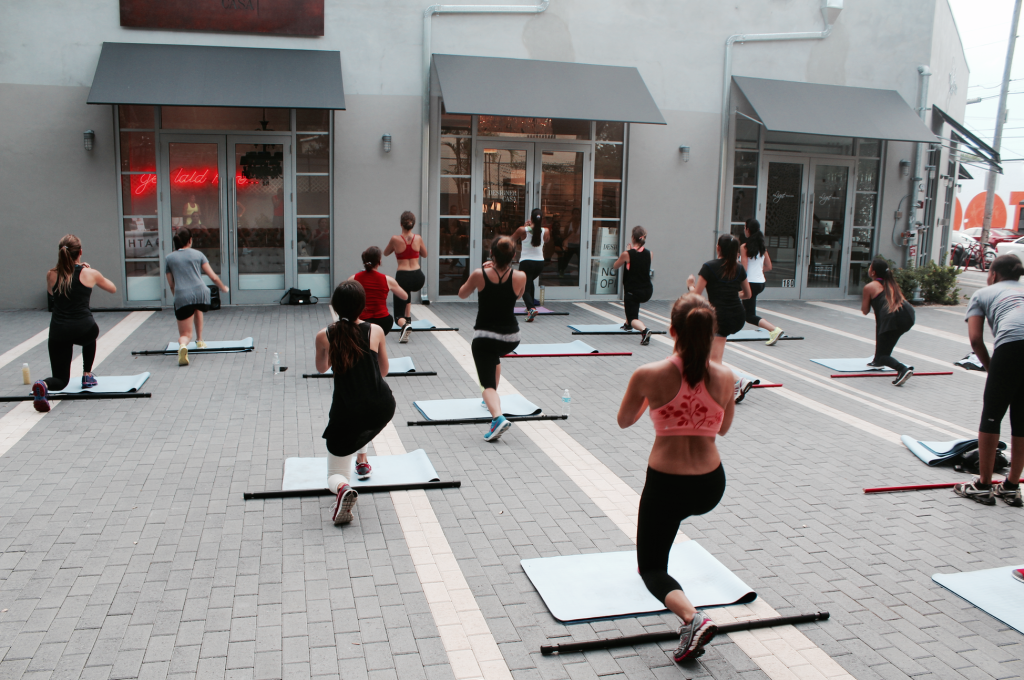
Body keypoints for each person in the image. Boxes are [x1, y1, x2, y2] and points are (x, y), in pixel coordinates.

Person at [616, 293, 734, 662]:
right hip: (711, 485)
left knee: (651, 568)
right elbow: (724, 428)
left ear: (672, 330)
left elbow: (624, 420)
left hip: (668, 485)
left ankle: (692, 618)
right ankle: (691, 619)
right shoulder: (727, 376)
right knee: (667, 531)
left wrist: (655, 404)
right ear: (712, 332)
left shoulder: (649, 375)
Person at [314, 281, 397, 525]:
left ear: (335, 306)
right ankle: (361, 460)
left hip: (346, 412)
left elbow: (321, 368)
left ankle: (342, 489)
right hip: (381, 406)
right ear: (363, 306)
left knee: (334, 474)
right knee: (364, 418)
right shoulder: (376, 331)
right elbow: (384, 371)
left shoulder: (325, 335)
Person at [954, 253, 1024, 508]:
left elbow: (975, 340)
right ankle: (1012, 486)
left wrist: (992, 368)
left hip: (1011, 349)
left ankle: (983, 486)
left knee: (992, 415)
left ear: (993, 274)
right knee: (1021, 420)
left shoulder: (983, 294)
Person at [33, 235, 118, 413]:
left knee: (61, 380)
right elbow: (112, 288)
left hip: (58, 333)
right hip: (84, 330)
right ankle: (87, 375)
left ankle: (43, 384)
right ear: (80, 252)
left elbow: (51, 292)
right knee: (91, 331)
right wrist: (90, 271)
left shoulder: (51, 274)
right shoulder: (89, 273)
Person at [458, 236, 526, 443]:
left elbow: (462, 294)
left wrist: (481, 272)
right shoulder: (520, 276)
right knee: (493, 357)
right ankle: (492, 398)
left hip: (485, 337)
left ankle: (497, 417)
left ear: (491, 254)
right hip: (512, 337)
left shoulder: (480, 274)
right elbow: (520, 295)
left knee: (485, 383)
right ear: (513, 256)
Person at [687, 234, 752, 402]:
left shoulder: (709, 267)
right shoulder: (739, 268)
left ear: (718, 248)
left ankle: (739, 381)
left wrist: (690, 284)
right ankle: (716, 385)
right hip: (738, 315)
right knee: (711, 356)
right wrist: (732, 293)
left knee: (713, 359)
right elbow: (748, 294)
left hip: (720, 317)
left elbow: (696, 295)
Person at [165, 228, 229, 367]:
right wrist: (223, 288)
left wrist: (177, 298)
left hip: (183, 296)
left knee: (186, 334)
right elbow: (212, 276)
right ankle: (200, 340)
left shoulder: (169, 258)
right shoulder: (198, 254)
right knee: (196, 306)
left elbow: (171, 284)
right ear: (190, 240)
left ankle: (183, 345)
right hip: (201, 294)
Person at [859, 259, 915, 386]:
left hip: (893, 319)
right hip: (908, 316)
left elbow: (865, 310)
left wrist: (866, 300)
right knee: (885, 344)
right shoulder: (891, 284)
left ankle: (902, 369)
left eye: (870, 268)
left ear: (873, 273)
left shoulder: (870, 287)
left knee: (883, 355)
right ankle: (878, 361)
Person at [384, 211, 428, 342]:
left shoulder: (395, 239)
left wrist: (396, 249)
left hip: (403, 277)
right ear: (413, 225)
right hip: (418, 278)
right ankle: (408, 319)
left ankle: (403, 323)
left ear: (400, 224)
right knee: (406, 294)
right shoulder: (418, 238)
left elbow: (385, 253)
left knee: (398, 313)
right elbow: (425, 254)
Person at [739, 219, 785, 346]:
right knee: (743, 308)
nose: (744, 230)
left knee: (749, 315)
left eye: (745, 227)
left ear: (748, 230)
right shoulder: (762, 247)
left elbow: (744, 269)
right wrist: (758, 271)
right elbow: (769, 266)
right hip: (760, 283)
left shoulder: (744, 247)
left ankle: (774, 330)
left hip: (749, 283)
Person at [349, 246, 408, 336]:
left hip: (362, 321)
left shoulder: (353, 278)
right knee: (377, 342)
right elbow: (405, 296)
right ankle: (402, 320)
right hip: (383, 321)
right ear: (379, 262)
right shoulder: (387, 279)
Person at [613, 226, 654, 345]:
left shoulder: (627, 254)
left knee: (633, 319)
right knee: (632, 307)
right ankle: (627, 325)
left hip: (633, 292)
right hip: (648, 290)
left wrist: (627, 252)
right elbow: (639, 263)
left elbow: (616, 265)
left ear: (632, 238)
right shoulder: (649, 253)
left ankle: (644, 330)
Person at [512, 208, 549, 322]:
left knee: (524, 288)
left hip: (526, 262)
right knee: (529, 282)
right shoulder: (546, 230)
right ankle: (530, 306)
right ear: (542, 220)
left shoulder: (522, 230)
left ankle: (531, 308)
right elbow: (546, 241)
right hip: (539, 263)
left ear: (531, 218)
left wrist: (525, 227)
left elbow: (511, 239)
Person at [558, 208, 582, 276]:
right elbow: (564, 236)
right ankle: (561, 271)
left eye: (577, 214)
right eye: (574, 213)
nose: (576, 215)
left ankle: (581, 275)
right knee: (566, 259)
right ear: (572, 214)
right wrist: (570, 234)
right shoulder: (569, 224)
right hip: (570, 245)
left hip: (579, 245)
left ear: (580, 215)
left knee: (581, 260)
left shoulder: (582, 224)